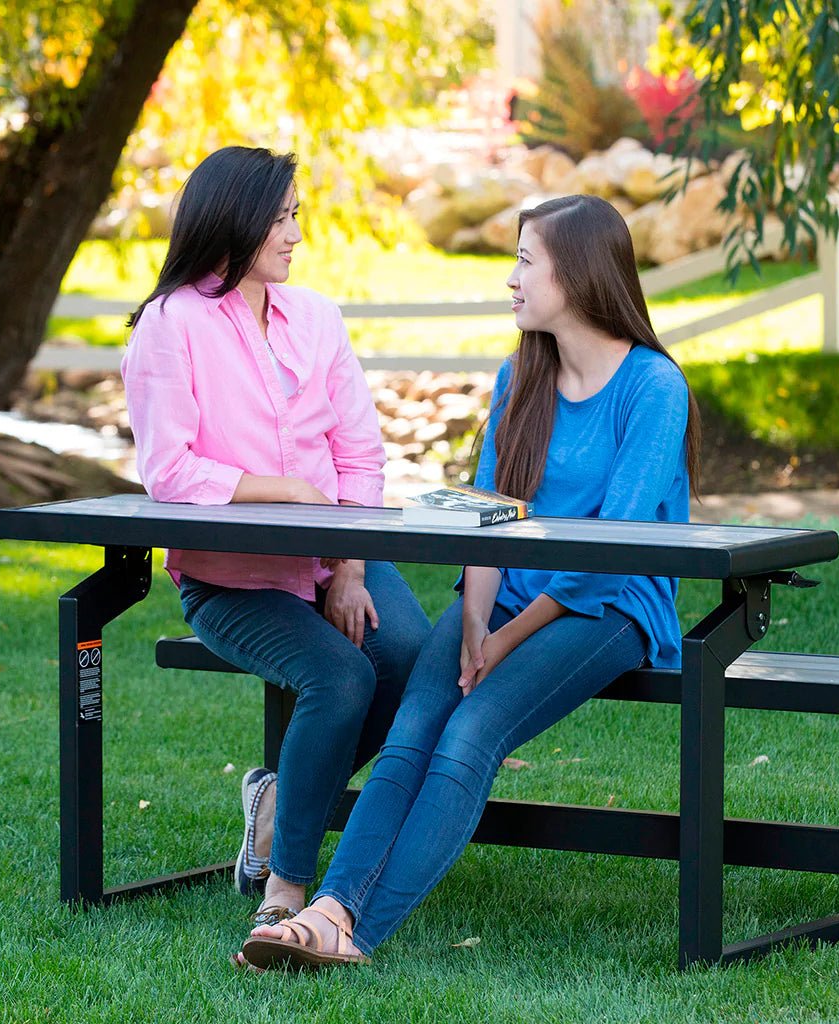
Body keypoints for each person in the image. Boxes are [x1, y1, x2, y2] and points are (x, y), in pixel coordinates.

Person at [239, 193, 701, 970]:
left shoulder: (653, 388)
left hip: (611, 604)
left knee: (470, 732)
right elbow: (487, 515)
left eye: (526, 261)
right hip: (507, 594)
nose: (511, 279)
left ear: (580, 276)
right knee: (414, 727)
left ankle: (354, 929)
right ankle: (329, 908)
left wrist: (505, 639)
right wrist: (478, 617)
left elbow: (610, 551)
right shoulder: (519, 373)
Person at [120, 146, 431, 929]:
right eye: (283, 216)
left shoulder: (316, 316)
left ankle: (277, 804)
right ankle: (286, 885)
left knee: (411, 664)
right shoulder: (170, 323)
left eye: (297, 214)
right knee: (341, 677)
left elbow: (360, 454)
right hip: (229, 580)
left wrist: (352, 568)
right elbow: (168, 469)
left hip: (332, 559)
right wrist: (284, 489)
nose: (296, 233)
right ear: (237, 220)